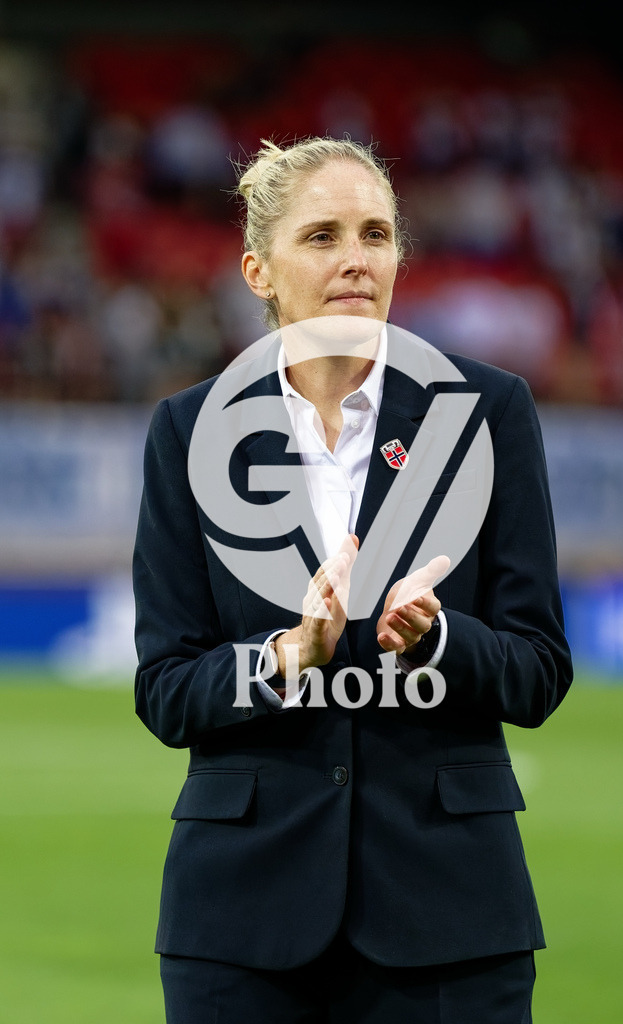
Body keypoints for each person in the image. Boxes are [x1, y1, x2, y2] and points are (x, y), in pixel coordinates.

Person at [133, 136, 573, 1023]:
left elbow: (537, 668)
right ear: (259, 269)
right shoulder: (189, 431)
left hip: (449, 914)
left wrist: (440, 638)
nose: (355, 260)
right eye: (323, 236)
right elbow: (167, 688)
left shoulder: (483, 413)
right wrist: (287, 654)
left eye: (375, 234)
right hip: (241, 922)